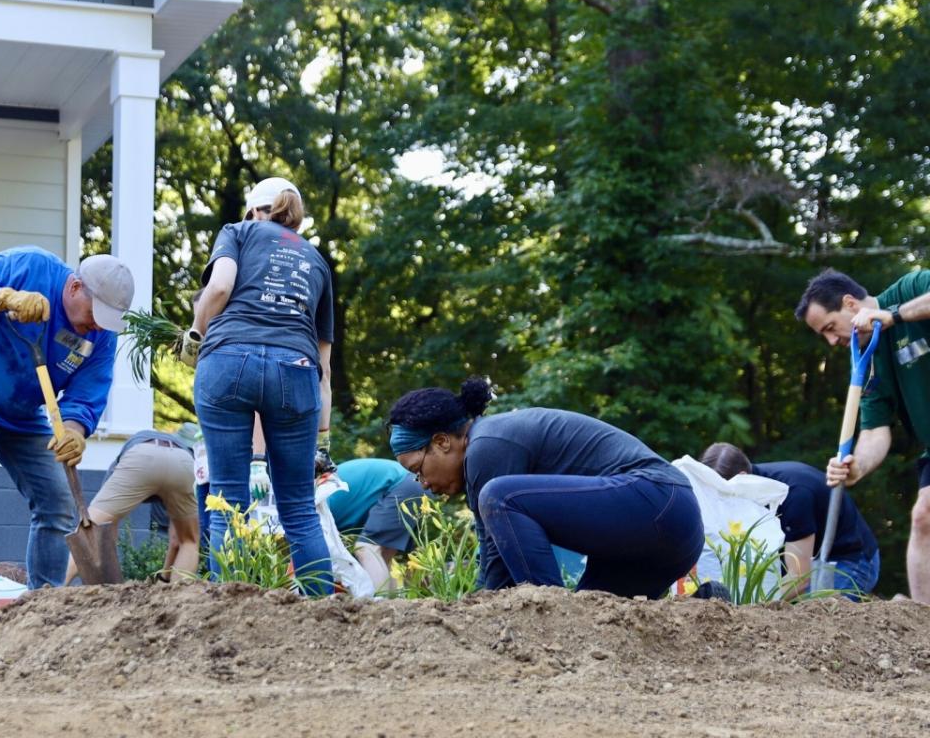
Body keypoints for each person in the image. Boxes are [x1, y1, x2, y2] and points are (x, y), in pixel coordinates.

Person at [0, 246, 134, 612]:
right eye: (94, 314)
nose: (97, 325)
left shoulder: (100, 336)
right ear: (75, 288)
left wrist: (74, 430)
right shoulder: (31, 266)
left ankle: (41, 607)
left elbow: (88, 390)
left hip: (19, 411)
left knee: (58, 501)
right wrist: (2, 296)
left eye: (106, 320)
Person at [386, 377, 704, 598]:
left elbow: (495, 558)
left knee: (499, 498)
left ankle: (550, 609)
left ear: (441, 442)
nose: (424, 484)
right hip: (670, 533)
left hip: (656, 499)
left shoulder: (487, 445)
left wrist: (472, 615)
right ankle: (704, 604)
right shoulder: (491, 442)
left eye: (418, 470)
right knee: (591, 616)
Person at [181, 177, 335, 595]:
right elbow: (324, 359)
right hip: (297, 370)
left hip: (228, 360)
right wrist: (322, 423)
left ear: (252, 210)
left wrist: (195, 334)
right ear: (297, 221)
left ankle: (229, 611)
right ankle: (325, 614)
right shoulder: (317, 261)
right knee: (300, 509)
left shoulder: (238, 232)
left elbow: (219, 287)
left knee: (228, 501)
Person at [796, 268, 930, 604]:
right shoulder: (868, 366)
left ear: (850, 304)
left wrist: (893, 316)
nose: (831, 341)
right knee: (924, 518)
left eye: (830, 327)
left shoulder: (910, 290)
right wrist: (857, 466)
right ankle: (922, 625)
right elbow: (874, 430)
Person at [700, 443, 880, 598]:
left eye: (722, 492)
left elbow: (800, 577)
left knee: (818, 620)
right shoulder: (753, 486)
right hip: (811, 557)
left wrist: (751, 606)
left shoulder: (793, 495)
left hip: (850, 559)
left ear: (742, 477)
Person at [65, 428, 200, 584]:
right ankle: (180, 601)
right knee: (189, 541)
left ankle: (58, 587)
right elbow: (177, 540)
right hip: (183, 463)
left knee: (90, 531)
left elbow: (106, 532)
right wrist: (164, 581)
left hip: (142, 455)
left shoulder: (130, 451)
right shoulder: (184, 451)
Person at [320, 458, 424, 592]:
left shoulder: (314, 500)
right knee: (383, 557)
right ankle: (393, 607)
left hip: (402, 484)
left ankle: (377, 607)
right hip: (413, 482)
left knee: (367, 549)